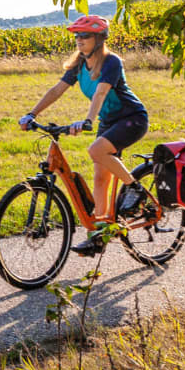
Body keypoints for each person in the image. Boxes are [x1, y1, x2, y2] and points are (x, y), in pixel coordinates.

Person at [17, 14, 150, 256]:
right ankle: (100, 234)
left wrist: (87, 121)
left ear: (99, 38)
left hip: (132, 119)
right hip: (109, 122)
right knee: (100, 177)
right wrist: (32, 113)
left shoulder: (112, 62)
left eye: (84, 35)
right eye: (76, 36)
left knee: (95, 150)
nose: (79, 40)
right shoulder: (79, 65)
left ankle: (134, 188)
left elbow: (100, 93)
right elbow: (57, 89)